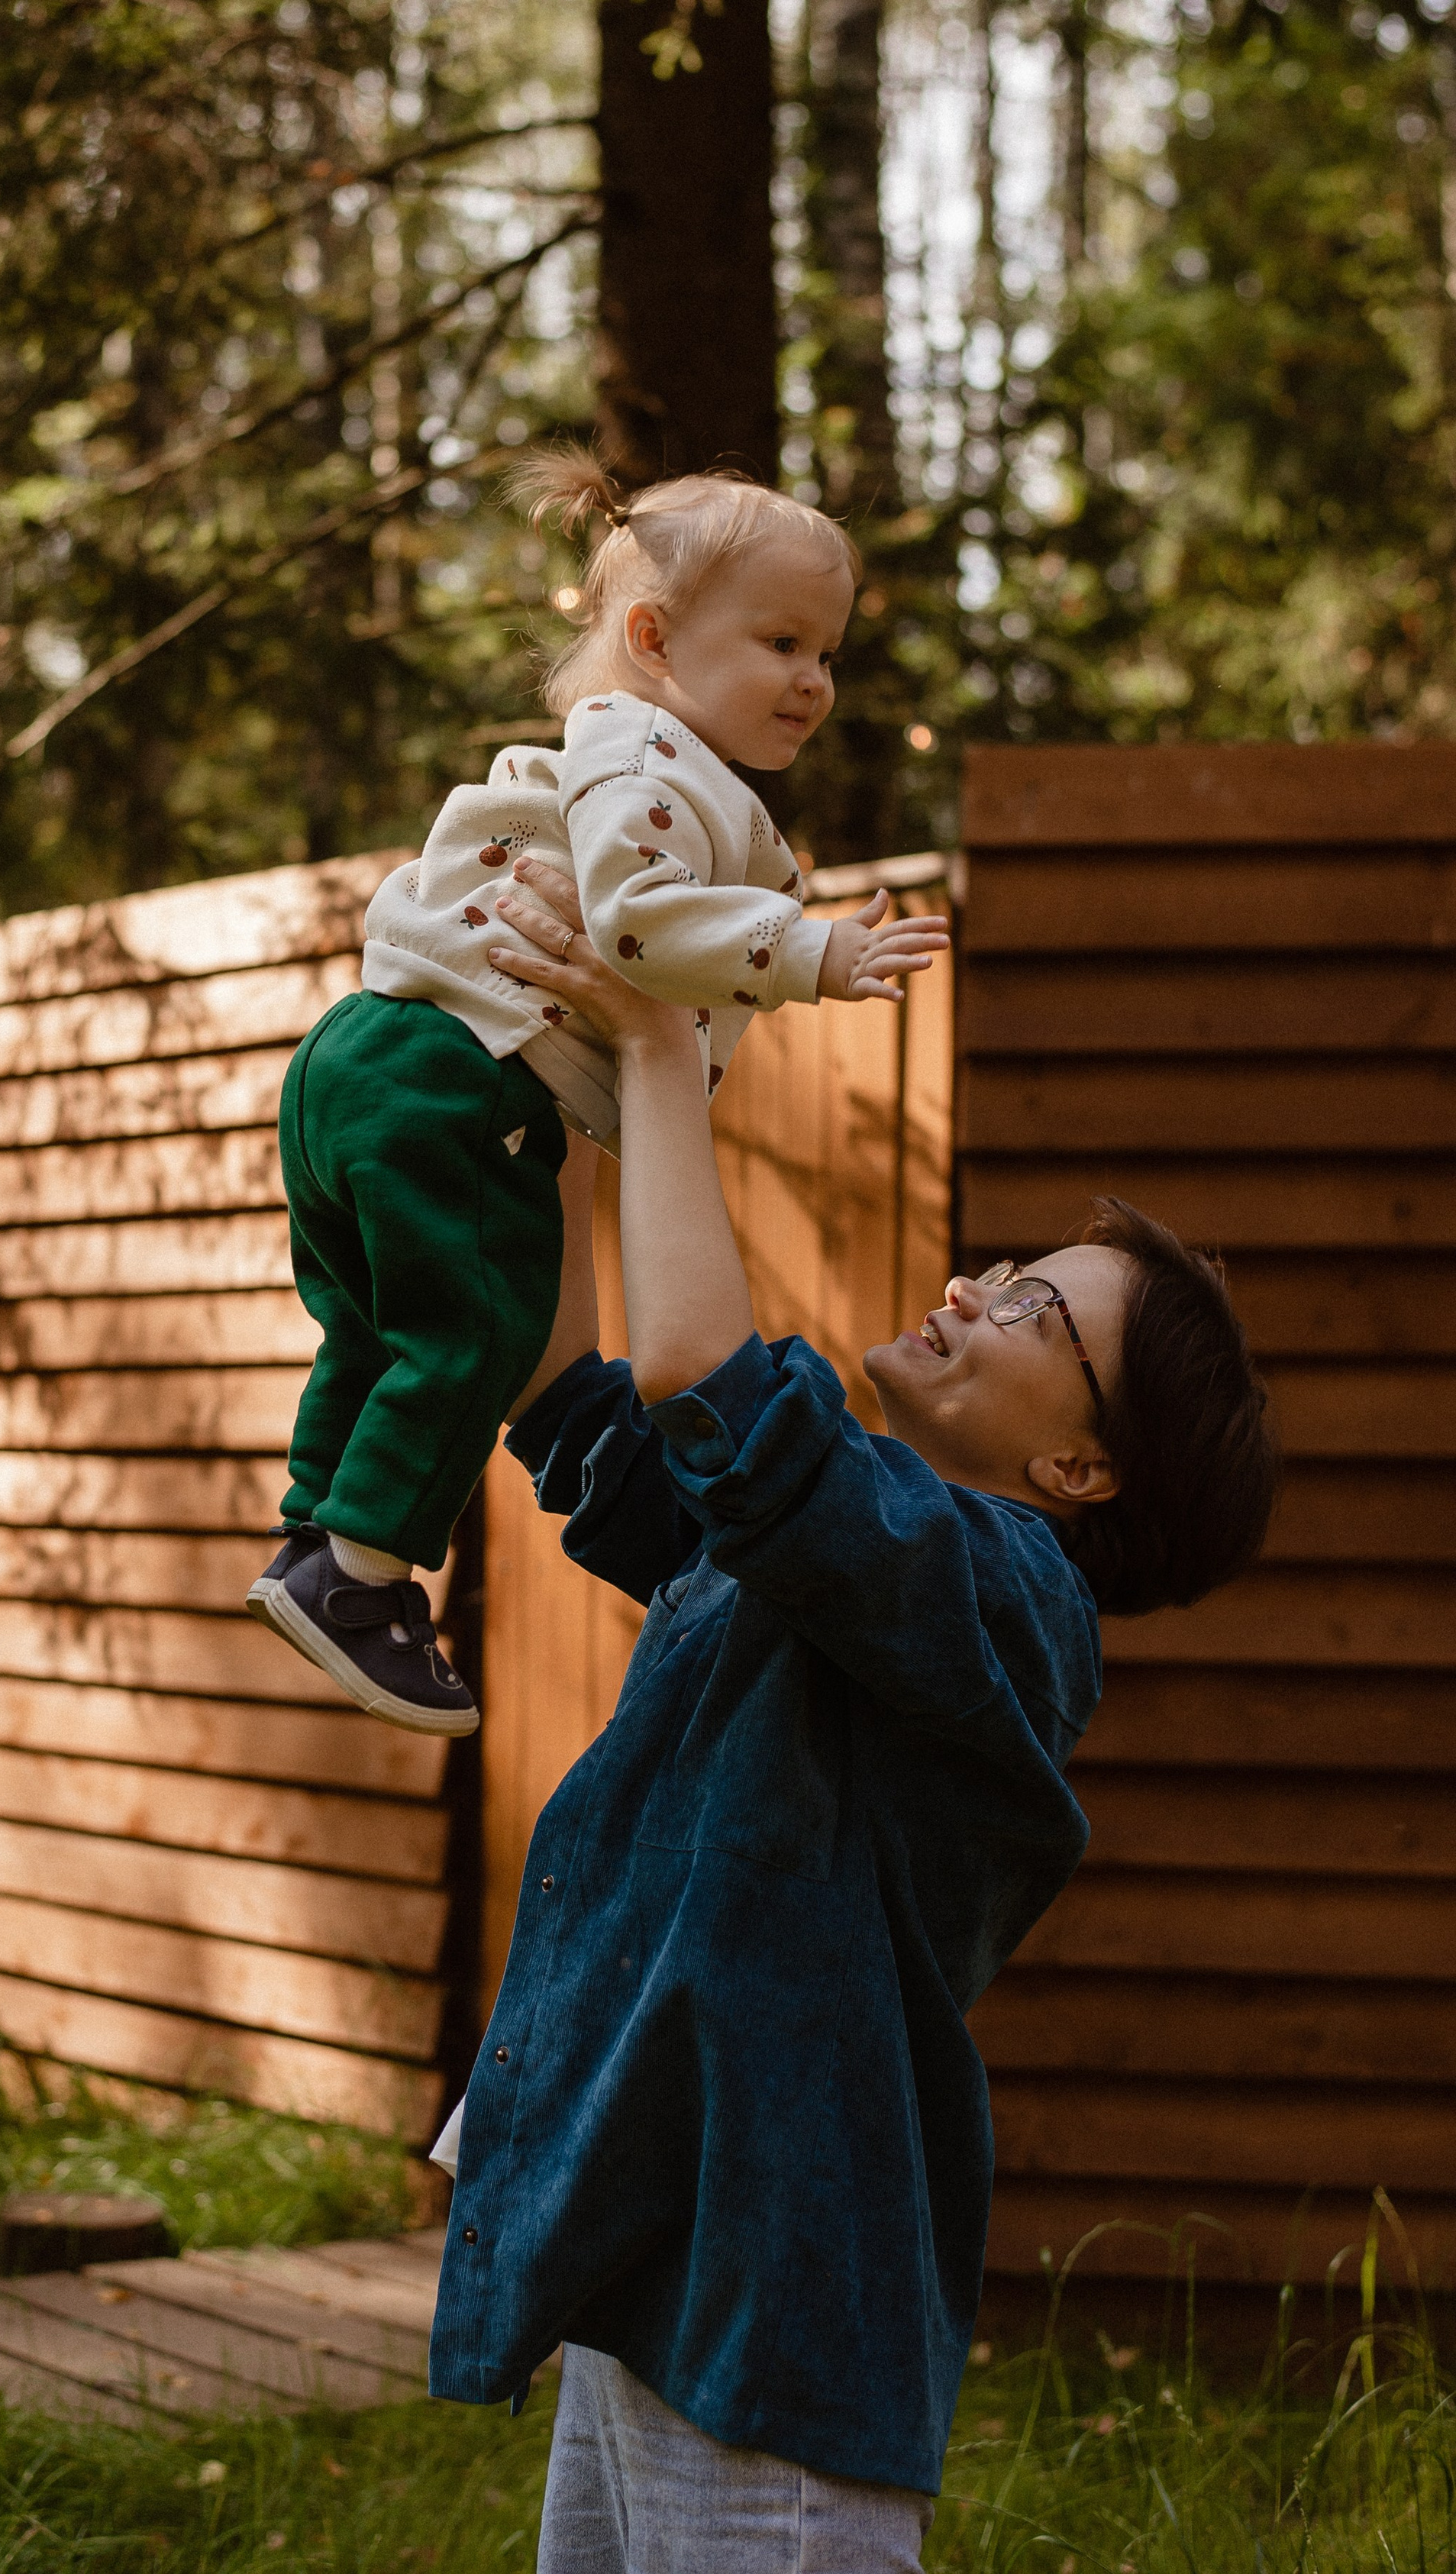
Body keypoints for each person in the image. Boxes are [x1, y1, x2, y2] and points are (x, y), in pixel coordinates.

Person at [427, 858, 1279, 2573]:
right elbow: (580, 1401)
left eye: (1033, 1308)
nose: (972, 1287)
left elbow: (706, 1388)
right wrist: (557, 1086)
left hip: (786, 2316)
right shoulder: (829, 1557)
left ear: (1079, 1469)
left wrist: (661, 1048)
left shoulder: (1001, 1600)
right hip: (669, 2254)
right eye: (1007, 1267)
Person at [247, 454, 949, 1736]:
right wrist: (816, 954)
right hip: (456, 1075)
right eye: (782, 643)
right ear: (652, 640)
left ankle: (317, 1539)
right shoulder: (653, 763)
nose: (815, 681)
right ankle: (364, 1581)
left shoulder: (612, 754)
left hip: (367, 1055)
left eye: (827, 653)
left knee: (381, 1325)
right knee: (485, 1330)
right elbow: (637, 924)